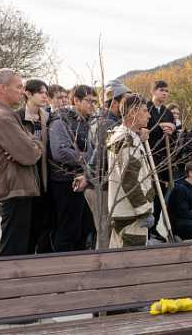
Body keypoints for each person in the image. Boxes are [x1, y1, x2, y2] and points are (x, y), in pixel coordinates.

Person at [0, 68, 44, 257]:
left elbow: (30, 146)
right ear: (2, 88)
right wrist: (34, 146)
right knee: (13, 252)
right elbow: (29, 155)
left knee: (20, 249)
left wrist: (32, 144)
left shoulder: (6, 114)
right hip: (13, 190)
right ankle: (6, 286)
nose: (22, 91)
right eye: (18, 87)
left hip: (17, 188)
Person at [47, 84, 97, 252]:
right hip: (65, 182)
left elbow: (94, 147)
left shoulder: (86, 121)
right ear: (76, 100)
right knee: (67, 232)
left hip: (83, 180)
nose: (93, 105)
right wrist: (89, 160)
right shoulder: (61, 120)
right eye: (89, 101)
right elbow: (60, 152)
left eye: (95, 102)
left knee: (83, 230)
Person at [86, 80, 131, 250]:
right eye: (126, 102)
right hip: (100, 185)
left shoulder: (102, 119)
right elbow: (101, 157)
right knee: (105, 232)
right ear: (114, 102)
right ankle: (102, 271)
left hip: (99, 183)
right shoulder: (108, 124)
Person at [107, 94, 156, 248]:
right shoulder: (126, 141)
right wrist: (143, 211)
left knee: (119, 255)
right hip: (131, 213)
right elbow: (129, 179)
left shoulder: (126, 137)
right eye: (145, 111)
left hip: (125, 210)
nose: (149, 115)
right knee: (131, 261)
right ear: (133, 112)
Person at [16, 78, 53, 253]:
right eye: (41, 92)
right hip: (25, 178)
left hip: (44, 177)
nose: (45, 96)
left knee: (43, 224)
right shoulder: (17, 117)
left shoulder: (47, 116)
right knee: (26, 229)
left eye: (46, 93)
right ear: (28, 94)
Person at [146, 80, 177, 239]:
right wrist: (159, 127)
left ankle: (154, 228)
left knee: (161, 195)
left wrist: (171, 130)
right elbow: (143, 130)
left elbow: (174, 136)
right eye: (161, 90)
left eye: (167, 91)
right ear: (153, 91)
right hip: (148, 158)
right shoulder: (145, 108)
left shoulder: (168, 112)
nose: (165, 93)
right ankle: (145, 228)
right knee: (147, 194)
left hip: (164, 160)